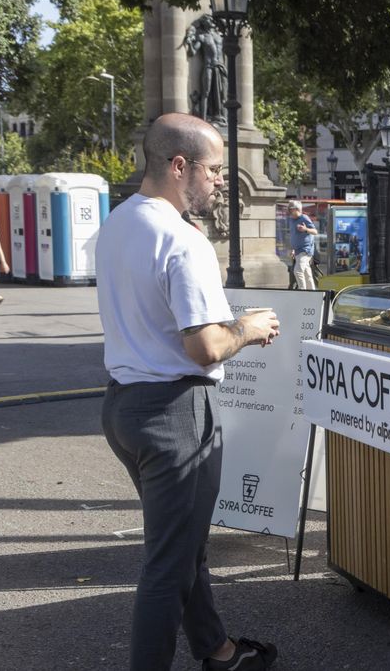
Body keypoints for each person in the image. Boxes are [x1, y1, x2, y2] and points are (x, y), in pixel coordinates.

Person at [95, 112, 280, 671]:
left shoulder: (119, 222)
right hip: (174, 413)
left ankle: (218, 651)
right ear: (180, 166)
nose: (220, 181)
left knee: (181, 544)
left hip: (124, 406)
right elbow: (205, 346)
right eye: (215, 169)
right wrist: (250, 327)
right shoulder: (182, 240)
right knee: (168, 565)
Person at [288, 199, 318, 290]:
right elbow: (294, 235)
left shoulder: (304, 218)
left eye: (290, 209)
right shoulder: (291, 220)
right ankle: (312, 293)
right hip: (297, 251)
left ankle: (302, 292)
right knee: (306, 273)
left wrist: (305, 229)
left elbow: (315, 232)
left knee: (298, 271)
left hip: (305, 250)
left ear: (297, 209)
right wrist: (293, 249)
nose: (289, 211)